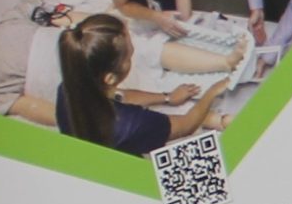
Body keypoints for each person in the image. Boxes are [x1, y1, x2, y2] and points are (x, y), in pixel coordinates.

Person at [53, 16, 227, 157]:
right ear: (110, 78)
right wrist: (212, 91)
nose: (132, 55)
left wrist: (166, 97)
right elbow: (186, 126)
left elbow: (118, 95)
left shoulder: (69, 88)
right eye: (129, 57)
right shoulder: (134, 125)